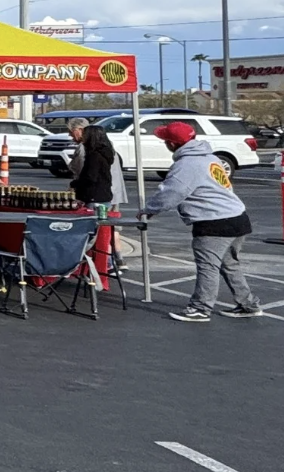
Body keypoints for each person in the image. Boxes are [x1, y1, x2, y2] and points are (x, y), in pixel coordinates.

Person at [143, 121, 262, 322]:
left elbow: (173, 192)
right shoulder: (210, 158)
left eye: (165, 140)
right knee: (229, 264)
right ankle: (248, 304)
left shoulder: (186, 165)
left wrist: (149, 210)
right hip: (237, 216)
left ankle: (200, 308)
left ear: (172, 144)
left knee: (208, 267)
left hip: (214, 222)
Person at [70, 122, 114, 209]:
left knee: (93, 221)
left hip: (94, 197)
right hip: (104, 195)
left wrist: (75, 184)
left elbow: (90, 176)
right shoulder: (106, 153)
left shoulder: (94, 156)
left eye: (85, 135)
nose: (83, 138)